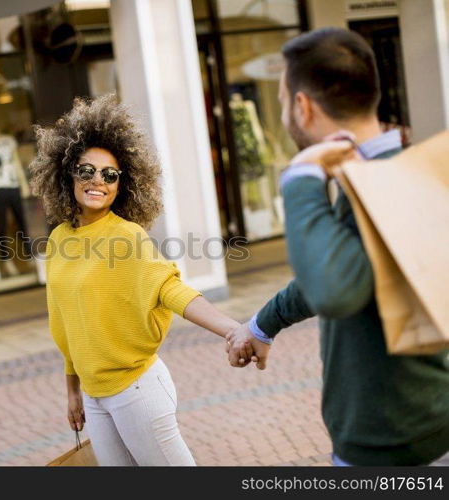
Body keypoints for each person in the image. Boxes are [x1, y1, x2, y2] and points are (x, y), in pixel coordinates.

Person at [226, 27, 449, 466]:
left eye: (284, 103)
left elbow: (333, 287)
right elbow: (344, 268)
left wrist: (300, 178)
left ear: (303, 107)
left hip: (398, 448)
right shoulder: (394, 171)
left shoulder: (384, 180)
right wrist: (261, 325)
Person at [30, 95, 245, 466]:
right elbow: (66, 324)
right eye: (87, 170)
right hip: (95, 398)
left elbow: (170, 289)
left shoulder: (127, 237)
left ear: (122, 185)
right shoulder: (60, 239)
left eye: (110, 175)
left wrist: (232, 329)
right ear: (68, 173)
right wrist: (73, 392)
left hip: (137, 390)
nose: (98, 180)